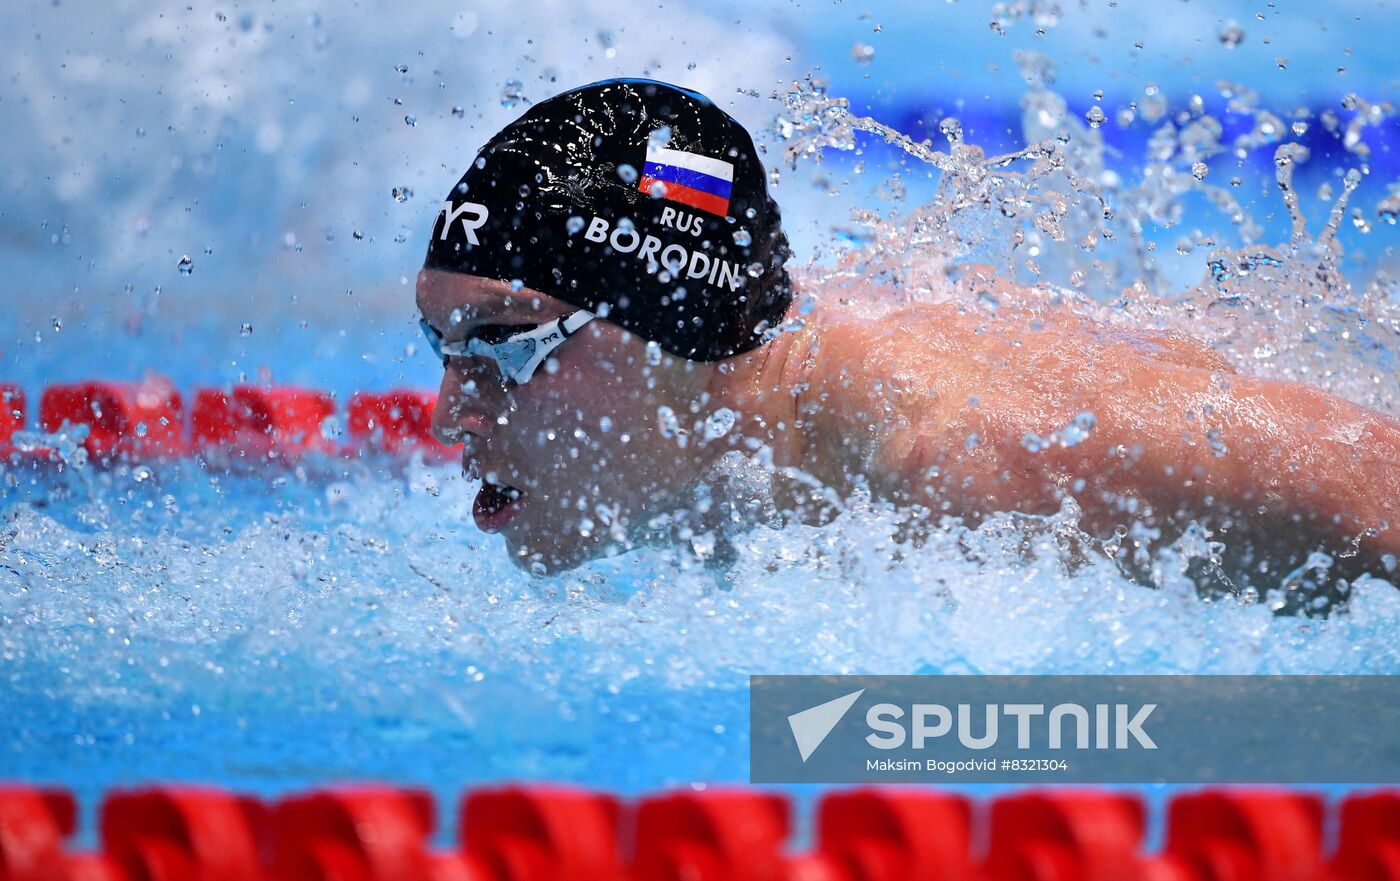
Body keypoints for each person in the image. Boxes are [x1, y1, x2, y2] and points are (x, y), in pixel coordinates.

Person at [417, 78, 1400, 591]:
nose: (448, 413)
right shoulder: (723, 440)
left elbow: (1368, 482)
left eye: (505, 344)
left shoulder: (956, 454)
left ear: (672, 324)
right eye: (443, 348)